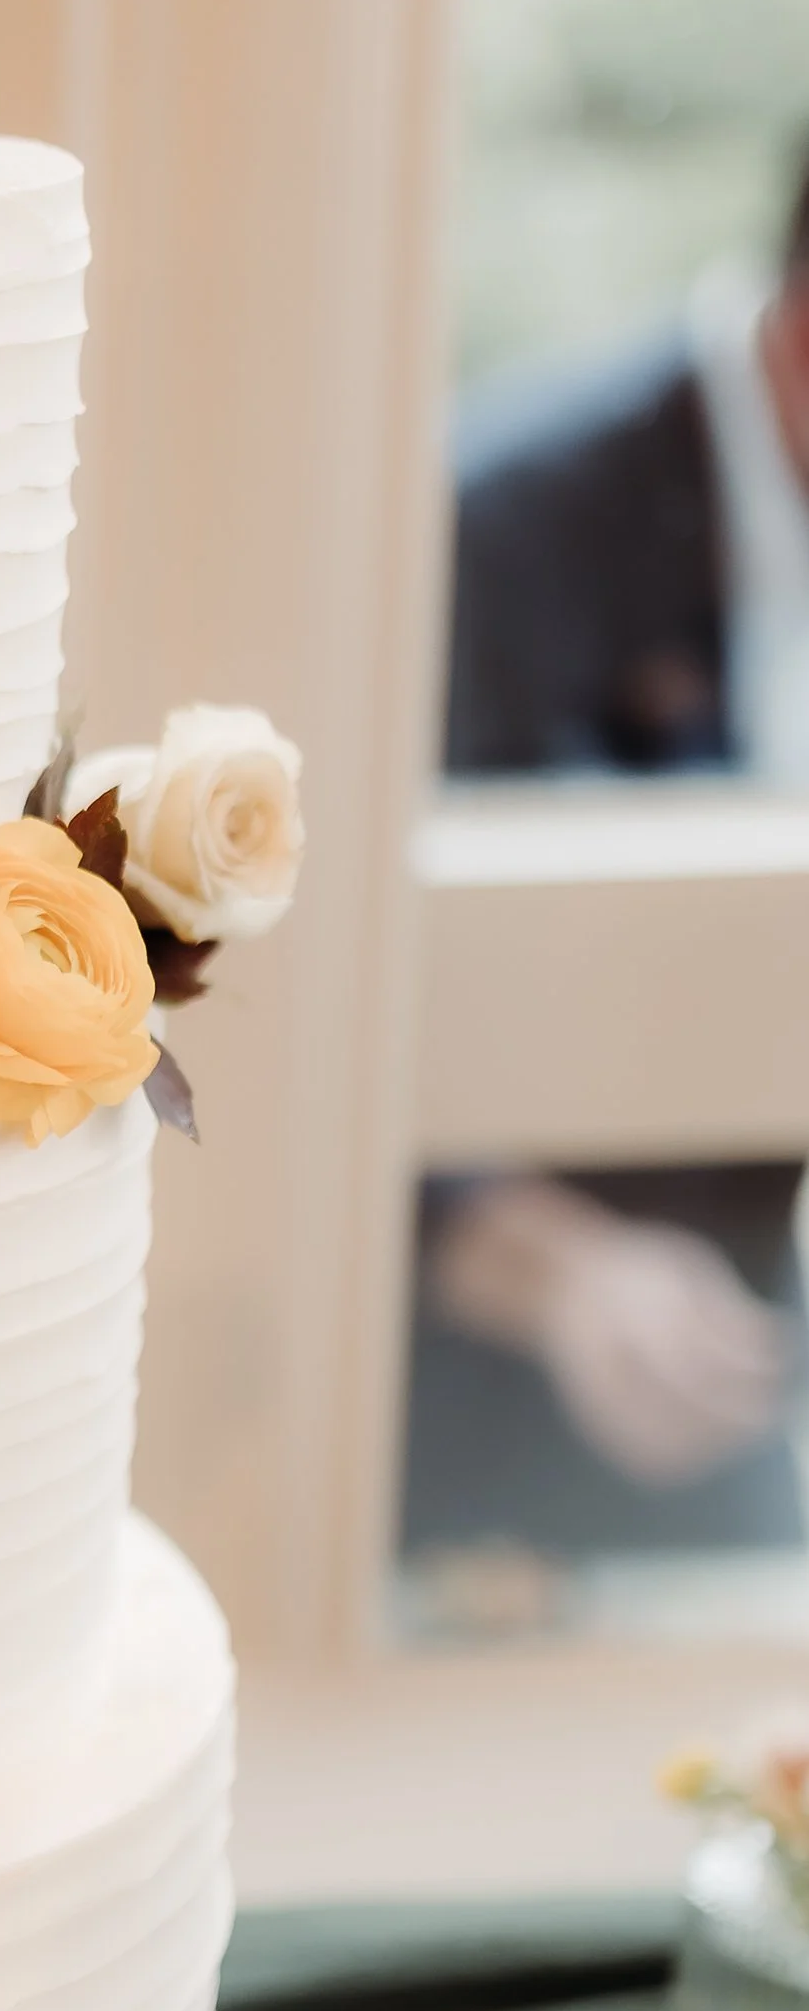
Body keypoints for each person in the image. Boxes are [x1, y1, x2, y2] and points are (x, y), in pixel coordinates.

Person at [404, 141, 809, 1573]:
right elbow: (314, 983)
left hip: (753, 1349)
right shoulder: (489, 521)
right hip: (457, 1401)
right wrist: (555, 1265)